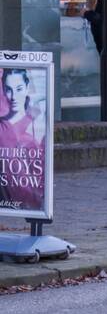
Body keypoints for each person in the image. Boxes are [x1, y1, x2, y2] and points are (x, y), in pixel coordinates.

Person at [0, 69, 46, 211]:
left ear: (27, 88)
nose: (13, 96)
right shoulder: (5, 125)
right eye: (8, 90)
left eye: (19, 89)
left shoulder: (39, 121)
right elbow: (6, 138)